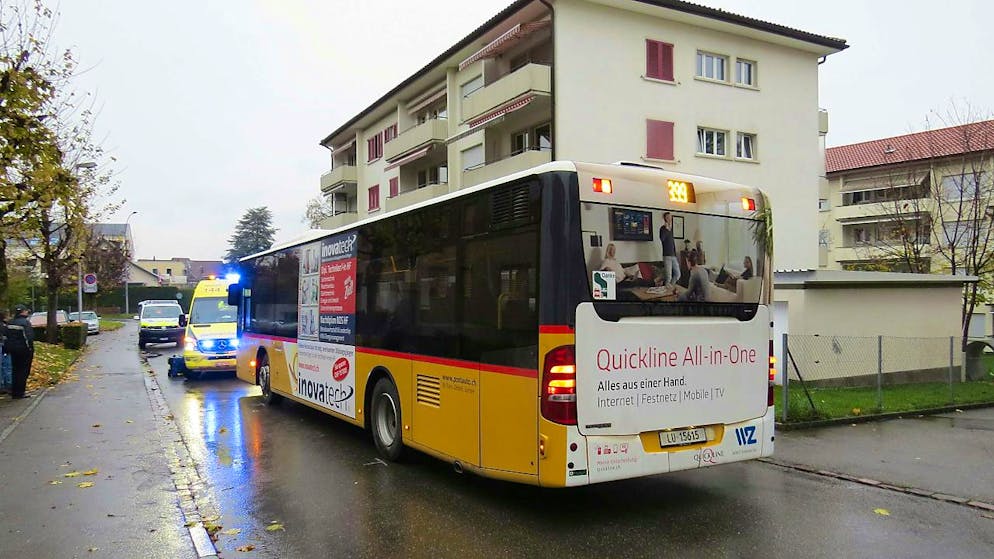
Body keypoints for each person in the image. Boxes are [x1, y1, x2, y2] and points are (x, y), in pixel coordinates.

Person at [5, 304, 35, 399]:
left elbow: (6, 337)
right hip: (24, 351)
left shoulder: (10, 323)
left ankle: (14, 391)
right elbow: (29, 338)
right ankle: (20, 392)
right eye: (26, 311)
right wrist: (30, 349)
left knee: (15, 370)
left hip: (12, 350)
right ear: (23, 312)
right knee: (23, 371)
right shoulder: (25, 323)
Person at [658, 212, 679, 288]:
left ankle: (670, 288)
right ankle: (667, 292)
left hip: (673, 255)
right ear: (665, 219)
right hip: (667, 256)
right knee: (668, 277)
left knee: (677, 274)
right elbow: (662, 239)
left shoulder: (671, 229)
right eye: (668, 217)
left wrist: (675, 254)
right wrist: (666, 229)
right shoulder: (662, 229)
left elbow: (672, 242)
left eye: (670, 217)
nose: (670, 219)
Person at [0, 311, 11, 395]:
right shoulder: (4, 326)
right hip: (4, 346)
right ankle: (8, 384)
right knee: (7, 366)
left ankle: (2, 385)